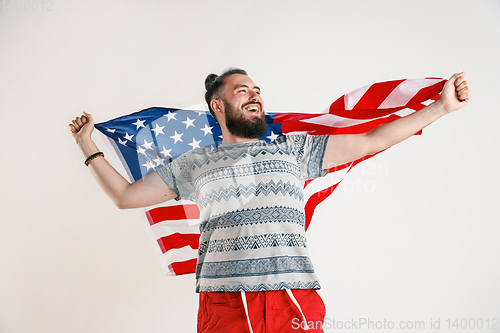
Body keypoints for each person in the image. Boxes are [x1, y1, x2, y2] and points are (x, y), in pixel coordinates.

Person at [69, 68, 471, 333]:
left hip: (290, 300)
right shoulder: (195, 163)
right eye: (242, 90)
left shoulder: (292, 149)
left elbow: (372, 140)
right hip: (223, 304)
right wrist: (88, 146)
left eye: (257, 90)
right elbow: (125, 197)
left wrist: (441, 107)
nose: (254, 95)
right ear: (218, 106)